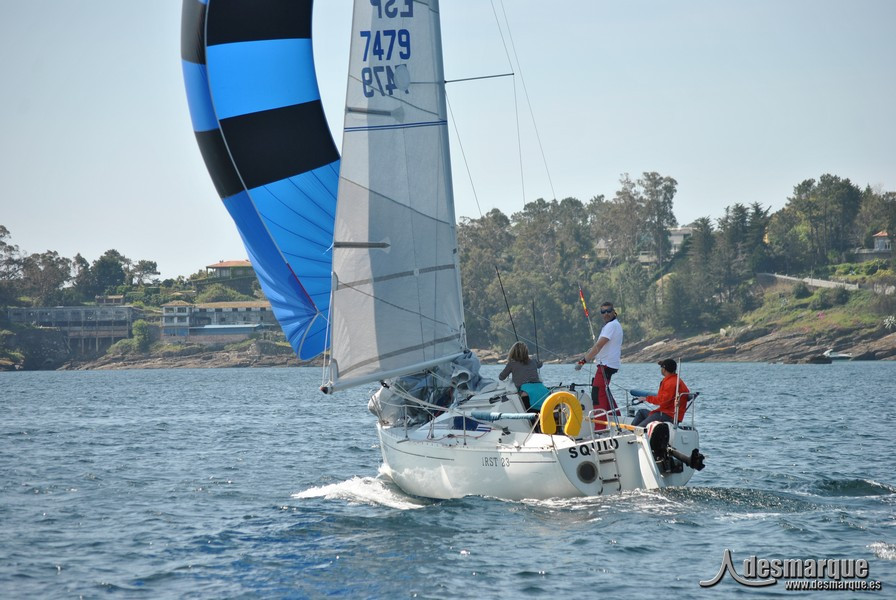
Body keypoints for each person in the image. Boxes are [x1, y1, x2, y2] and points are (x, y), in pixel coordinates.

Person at [574, 301, 623, 427]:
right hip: (608, 364)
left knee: (597, 394)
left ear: (613, 312)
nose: (606, 314)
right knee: (605, 393)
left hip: (606, 365)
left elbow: (599, 345)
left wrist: (583, 361)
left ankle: (600, 428)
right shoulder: (613, 325)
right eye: (603, 312)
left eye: (608, 311)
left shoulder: (611, 326)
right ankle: (618, 420)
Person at [631, 358, 691, 427]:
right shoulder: (678, 380)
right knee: (641, 412)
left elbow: (663, 401)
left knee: (639, 429)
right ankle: (631, 432)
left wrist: (646, 399)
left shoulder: (670, 383)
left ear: (664, 369)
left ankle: (633, 433)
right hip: (667, 413)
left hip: (667, 416)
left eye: (661, 367)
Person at [498, 341, 548, 410]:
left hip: (526, 392)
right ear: (526, 352)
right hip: (542, 390)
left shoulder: (511, 364)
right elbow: (540, 365)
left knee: (530, 414)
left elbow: (501, 377)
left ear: (512, 352)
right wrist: (539, 362)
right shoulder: (533, 361)